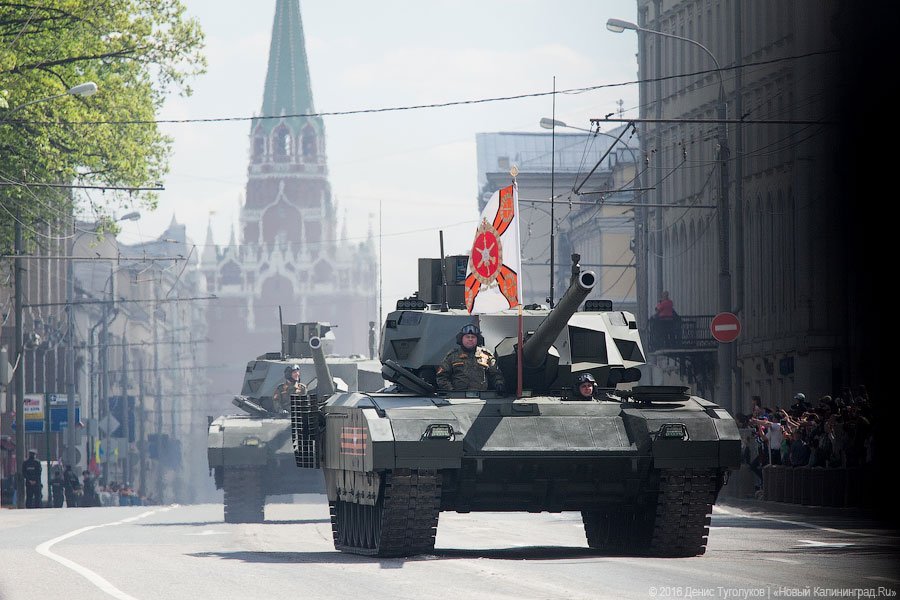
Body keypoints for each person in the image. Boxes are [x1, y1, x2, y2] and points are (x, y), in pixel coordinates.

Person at [436, 324, 505, 392]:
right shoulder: (452, 356)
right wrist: (451, 391)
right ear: (461, 339)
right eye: (467, 337)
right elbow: (441, 377)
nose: (470, 339)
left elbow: (496, 375)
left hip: (482, 397)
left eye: (473, 337)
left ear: (478, 339)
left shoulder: (487, 355)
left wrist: (499, 384)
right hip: (457, 398)